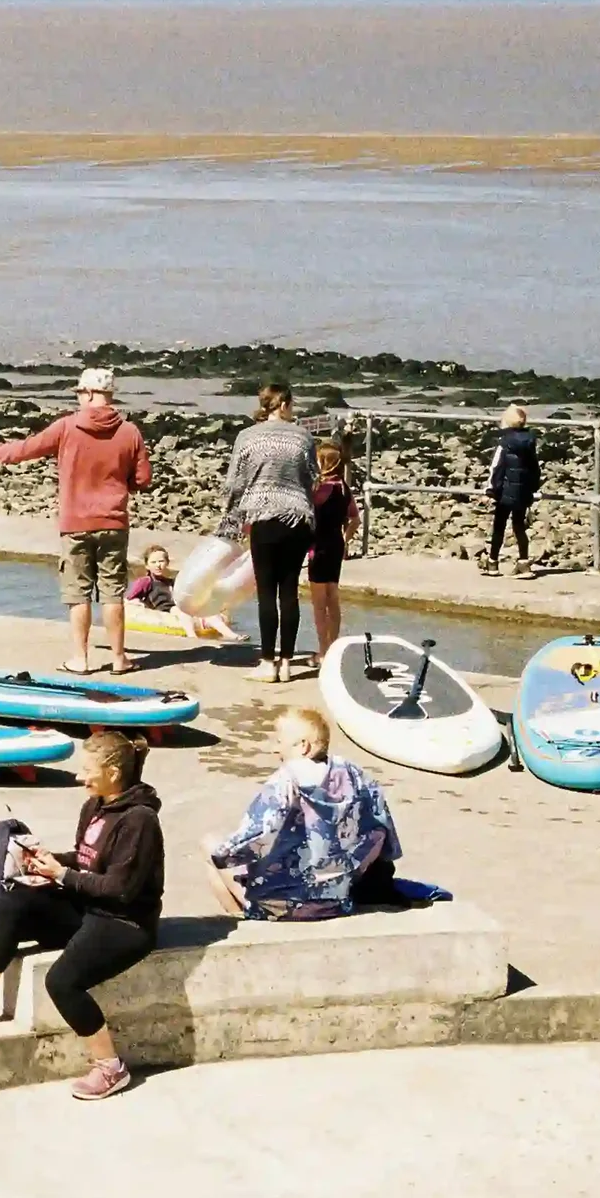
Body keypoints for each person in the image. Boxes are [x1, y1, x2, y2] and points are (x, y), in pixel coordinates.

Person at [0, 730, 162, 1102]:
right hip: (87, 907)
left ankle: (110, 1067)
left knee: (62, 982)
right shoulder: (95, 806)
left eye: (88, 770)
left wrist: (62, 875)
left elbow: (120, 889)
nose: (81, 777)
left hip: (124, 922)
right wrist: (46, 860)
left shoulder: (140, 821)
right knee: (13, 900)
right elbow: (86, 861)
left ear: (114, 771)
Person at [0, 366, 154, 675]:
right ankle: (119, 658)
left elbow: (24, 450)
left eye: (79, 394)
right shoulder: (130, 432)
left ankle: (81, 659)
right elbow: (143, 478)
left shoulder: (66, 427)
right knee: (113, 592)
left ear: (87, 393)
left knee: (78, 593)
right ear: (109, 395)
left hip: (76, 524)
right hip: (113, 522)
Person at [205, 707, 401, 922]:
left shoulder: (286, 780)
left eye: (279, 741)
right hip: (337, 901)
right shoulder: (353, 774)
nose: (274, 749)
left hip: (286, 904)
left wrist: (226, 855)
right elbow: (381, 827)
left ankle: (247, 918)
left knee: (209, 846)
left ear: (303, 746)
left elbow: (258, 833)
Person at [220, 382, 318, 684]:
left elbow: (235, 482)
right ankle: (287, 663)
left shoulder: (247, 437)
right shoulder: (303, 436)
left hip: (263, 518)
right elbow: (312, 477)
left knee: (266, 592)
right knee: (289, 591)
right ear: (285, 404)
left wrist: (229, 518)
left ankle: (267, 662)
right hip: (298, 518)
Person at [307, 435, 360, 656]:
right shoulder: (343, 488)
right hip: (336, 545)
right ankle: (334, 646)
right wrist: (346, 539)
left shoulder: (318, 490)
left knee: (319, 604)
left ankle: (322, 650)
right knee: (333, 598)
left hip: (317, 547)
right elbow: (355, 519)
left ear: (323, 463)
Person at [485, 405, 542, 577]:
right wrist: (532, 488)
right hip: (523, 491)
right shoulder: (530, 442)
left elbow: (497, 467)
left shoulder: (504, 442)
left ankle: (492, 562)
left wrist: (491, 489)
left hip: (505, 491)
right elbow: (534, 468)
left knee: (499, 526)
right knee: (519, 526)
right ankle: (524, 563)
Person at [125, 543, 179, 611]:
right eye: (153, 562)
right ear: (147, 566)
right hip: (159, 615)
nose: (158, 565)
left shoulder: (172, 582)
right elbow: (128, 599)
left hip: (173, 613)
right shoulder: (145, 581)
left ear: (167, 562)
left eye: (161, 561)